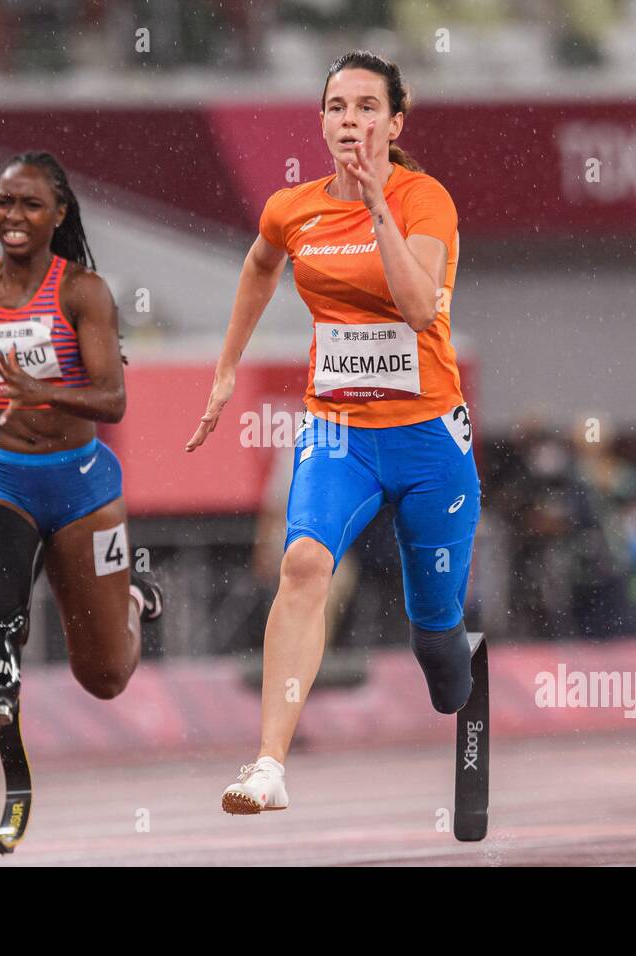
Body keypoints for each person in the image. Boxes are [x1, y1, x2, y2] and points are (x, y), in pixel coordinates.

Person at [186, 51, 480, 814]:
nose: (349, 120)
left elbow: (419, 310)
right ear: (320, 121)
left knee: (437, 643)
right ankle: (268, 765)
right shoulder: (293, 208)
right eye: (336, 107)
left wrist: (379, 204)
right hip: (337, 430)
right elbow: (258, 267)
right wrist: (226, 369)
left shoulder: (426, 201)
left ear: (395, 123)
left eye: (365, 107)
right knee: (304, 564)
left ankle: (454, 663)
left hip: (426, 440)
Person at [0, 150, 161, 726]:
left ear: (58, 214)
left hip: (79, 484)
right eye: (4, 202)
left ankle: (132, 598)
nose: (14, 215)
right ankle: (0, 672)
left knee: (105, 676)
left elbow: (113, 400)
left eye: (31, 205)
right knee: (2, 601)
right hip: (3, 473)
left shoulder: (83, 293)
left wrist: (43, 388)